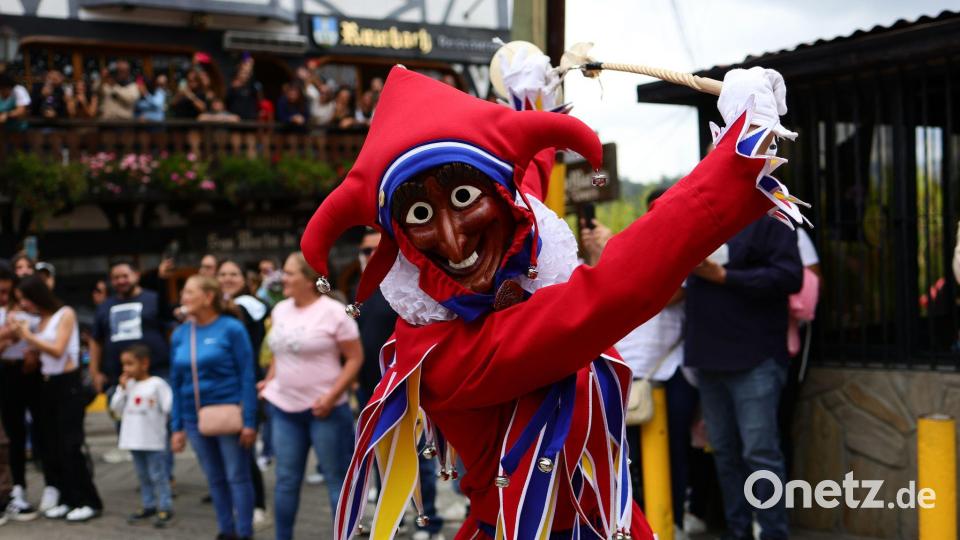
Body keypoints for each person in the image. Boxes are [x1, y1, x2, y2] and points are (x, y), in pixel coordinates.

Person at [300, 64, 807, 540]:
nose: (454, 244)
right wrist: (739, 156)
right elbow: (612, 291)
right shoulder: (444, 355)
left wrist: (530, 99)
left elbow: (519, 185)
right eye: (419, 214)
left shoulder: (504, 263)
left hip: (606, 520)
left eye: (461, 200)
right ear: (401, 241)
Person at [581, 200, 698, 540]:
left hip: (668, 375)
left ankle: (671, 520)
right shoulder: (626, 253)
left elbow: (667, 292)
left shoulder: (683, 254)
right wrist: (602, 256)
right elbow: (600, 295)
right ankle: (630, 524)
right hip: (623, 379)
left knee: (673, 453)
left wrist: (616, 249)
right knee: (623, 459)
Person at [684, 213, 803, 540]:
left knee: (760, 452)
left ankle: (772, 532)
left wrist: (725, 276)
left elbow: (791, 277)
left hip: (756, 357)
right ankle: (738, 530)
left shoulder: (771, 218)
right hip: (708, 357)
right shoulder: (702, 218)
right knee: (723, 451)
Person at [259, 252, 362, 540]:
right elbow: (280, 350)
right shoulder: (280, 310)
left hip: (325, 411)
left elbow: (354, 358)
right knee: (285, 481)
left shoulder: (333, 312)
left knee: (335, 481)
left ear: (309, 279)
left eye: (290, 273)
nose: (283, 278)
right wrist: (269, 381)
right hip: (284, 408)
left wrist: (331, 397)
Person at [170, 275, 257, 540]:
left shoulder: (232, 328)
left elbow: (247, 375)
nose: (183, 298)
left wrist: (250, 421)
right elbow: (176, 382)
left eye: (189, 292)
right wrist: (177, 427)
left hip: (229, 415)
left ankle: (244, 532)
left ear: (208, 297)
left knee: (237, 477)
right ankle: (225, 531)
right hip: (194, 417)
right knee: (214, 478)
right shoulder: (181, 333)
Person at [10, 276, 103, 522]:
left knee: (72, 445)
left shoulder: (65, 314)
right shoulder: (40, 320)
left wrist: (28, 336)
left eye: (25, 299)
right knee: (52, 446)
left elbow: (58, 349)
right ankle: (68, 498)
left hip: (67, 383)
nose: (24, 305)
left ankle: (89, 500)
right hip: (47, 383)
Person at [216, 259, 270, 529]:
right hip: (225, 386)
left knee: (246, 448)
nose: (227, 278)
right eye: (222, 274)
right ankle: (240, 502)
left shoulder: (250, 306)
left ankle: (257, 504)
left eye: (233, 274)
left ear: (244, 279)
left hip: (247, 383)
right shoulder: (219, 308)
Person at [109, 344, 174, 528]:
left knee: (158, 474)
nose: (126, 369)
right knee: (142, 475)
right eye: (124, 365)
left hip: (153, 440)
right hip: (133, 439)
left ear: (144, 363)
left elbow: (169, 406)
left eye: (130, 364)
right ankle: (149, 504)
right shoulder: (128, 386)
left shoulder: (157, 384)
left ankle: (165, 505)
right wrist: (121, 390)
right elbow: (116, 409)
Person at [0, 261, 42, 520]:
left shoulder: (18, 311)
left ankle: (13, 494)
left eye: (7, 292)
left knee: (13, 438)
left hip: (21, 375)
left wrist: (32, 351)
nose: (4, 298)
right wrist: (7, 336)